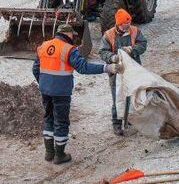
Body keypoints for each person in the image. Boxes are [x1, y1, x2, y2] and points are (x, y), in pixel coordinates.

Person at [33, 24, 123, 165]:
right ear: (68, 34)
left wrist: (44, 83)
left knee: (49, 118)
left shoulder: (44, 46)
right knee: (61, 122)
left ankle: (49, 153)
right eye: (72, 35)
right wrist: (107, 67)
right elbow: (83, 67)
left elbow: (35, 68)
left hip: (45, 90)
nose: (73, 37)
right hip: (61, 91)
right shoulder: (68, 49)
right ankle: (59, 155)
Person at [100, 8, 148, 136]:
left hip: (133, 70)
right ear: (119, 24)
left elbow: (143, 44)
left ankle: (130, 119)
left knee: (133, 96)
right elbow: (103, 52)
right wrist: (112, 57)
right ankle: (117, 123)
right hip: (117, 72)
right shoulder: (109, 35)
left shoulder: (135, 31)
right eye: (125, 25)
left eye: (129, 23)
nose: (128, 27)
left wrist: (132, 49)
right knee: (117, 97)